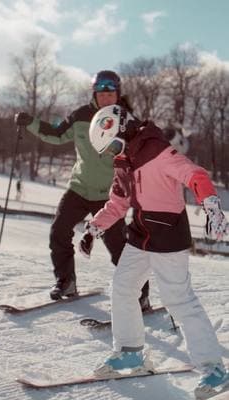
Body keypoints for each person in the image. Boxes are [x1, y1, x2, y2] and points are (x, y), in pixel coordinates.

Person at [79, 104, 229, 399]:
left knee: (179, 300)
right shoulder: (123, 162)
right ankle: (130, 353)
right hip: (140, 233)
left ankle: (215, 370)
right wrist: (94, 228)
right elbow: (118, 204)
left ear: (123, 129)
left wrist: (212, 207)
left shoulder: (157, 151)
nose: (112, 152)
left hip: (168, 233)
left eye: (113, 145)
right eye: (108, 149)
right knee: (122, 288)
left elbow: (195, 175)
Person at [14, 70, 150, 307]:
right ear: (94, 94)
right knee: (59, 231)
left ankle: (140, 294)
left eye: (111, 94)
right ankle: (66, 282)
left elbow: (146, 151)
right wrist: (31, 123)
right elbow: (56, 134)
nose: (106, 98)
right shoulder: (80, 116)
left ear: (118, 95)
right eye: (101, 93)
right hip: (79, 188)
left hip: (110, 197)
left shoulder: (128, 121)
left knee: (118, 247)